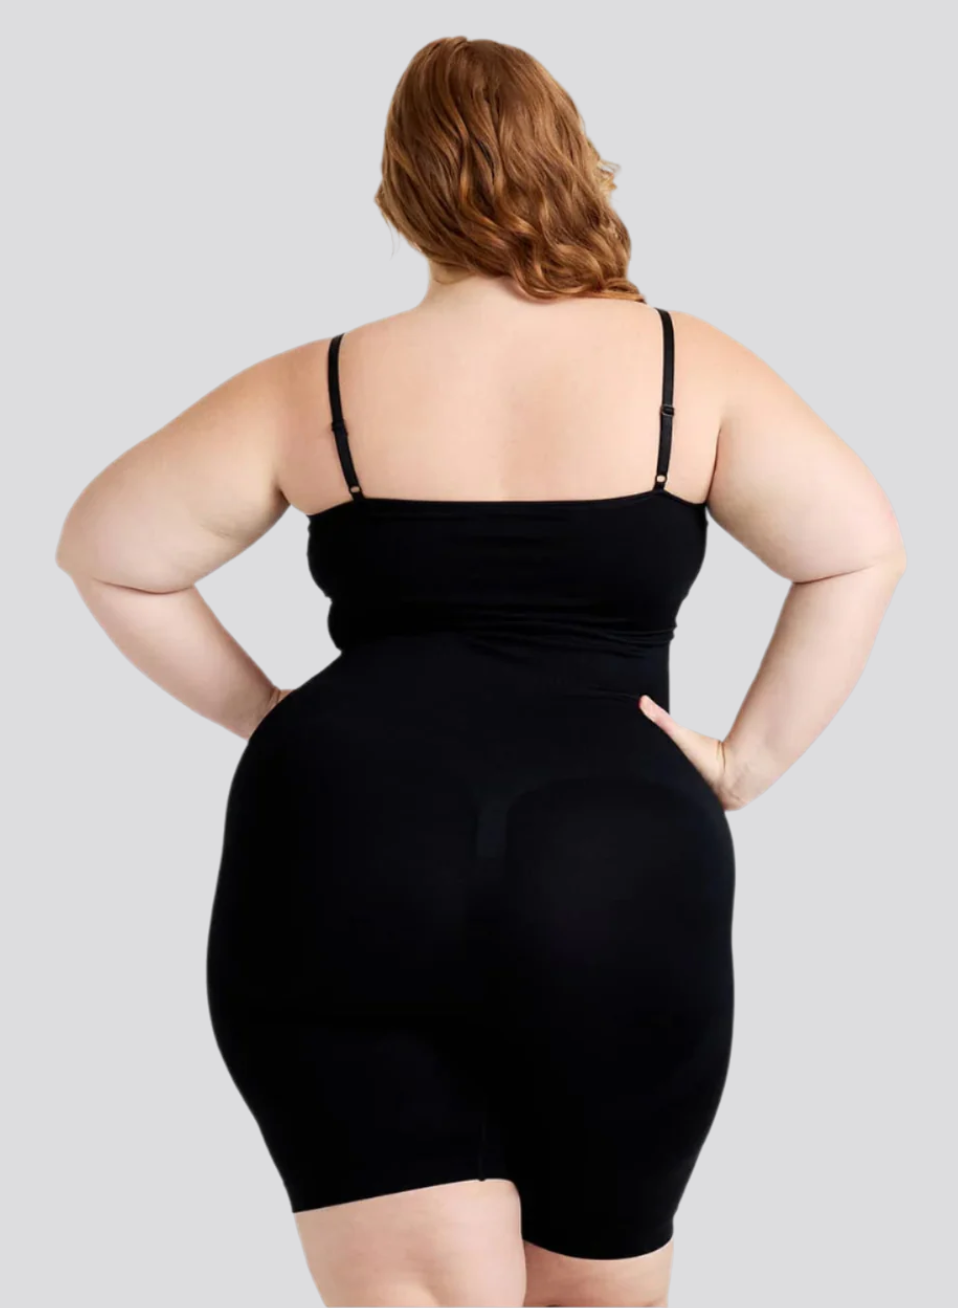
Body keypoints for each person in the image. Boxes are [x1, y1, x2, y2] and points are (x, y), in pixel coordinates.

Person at [55, 35, 906, 1308]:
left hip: (342, 844)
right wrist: (748, 761)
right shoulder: (689, 367)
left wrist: (274, 717)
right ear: (575, 162)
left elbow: (110, 552)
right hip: (615, 860)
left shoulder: (317, 382)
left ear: (400, 189)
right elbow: (857, 552)